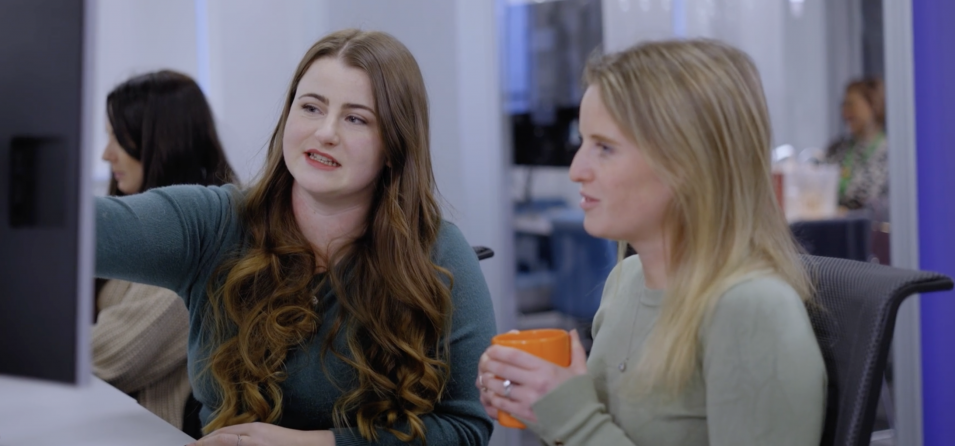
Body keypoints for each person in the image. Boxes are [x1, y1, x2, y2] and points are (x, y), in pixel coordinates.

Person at [94, 29, 496, 446]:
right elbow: (82, 230)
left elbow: (466, 428)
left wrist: (310, 444)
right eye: (311, 108)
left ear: (394, 145)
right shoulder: (214, 224)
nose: (325, 132)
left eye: (355, 118)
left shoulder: (440, 252)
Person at [477, 39, 826, 446]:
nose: (576, 169)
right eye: (582, 142)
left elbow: (588, 430)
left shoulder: (753, 311)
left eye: (604, 148)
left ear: (687, 163)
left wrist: (572, 419)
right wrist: (543, 402)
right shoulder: (626, 280)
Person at [94, 70, 237, 433]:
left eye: (118, 137)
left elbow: (112, 356)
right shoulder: (140, 229)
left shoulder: (201, 240)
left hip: (151, 431)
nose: (105, 153)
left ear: (161, 140)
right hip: (112, 420)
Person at [825, 77, 888, 212]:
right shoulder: (837, 149)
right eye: (844, 105)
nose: (845, 113)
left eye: (852, 105)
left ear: (874, 105)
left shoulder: (889, 153)